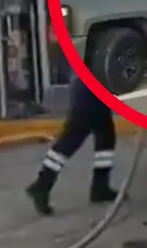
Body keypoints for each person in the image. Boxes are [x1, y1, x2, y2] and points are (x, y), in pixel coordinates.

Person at [25, 26, 120, 215]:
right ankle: (42, 185)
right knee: (71, 138)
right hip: (87, 85)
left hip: (91, 82)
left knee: (106, 134)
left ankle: (100, 187)